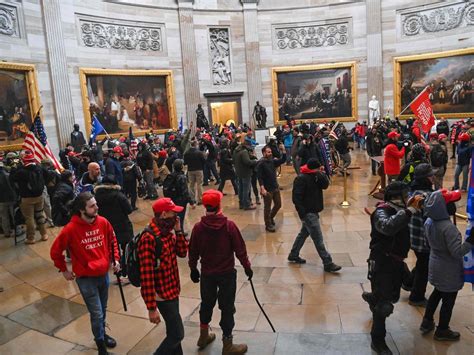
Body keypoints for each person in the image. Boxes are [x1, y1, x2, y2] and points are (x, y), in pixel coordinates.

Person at [50, 192, 120, 355]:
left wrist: (115, 259)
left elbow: (112, 241)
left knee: (102, 309)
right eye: (92, 206)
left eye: (95, 204)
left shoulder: (103, 222)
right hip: (86, 278)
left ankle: (101, 334)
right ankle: (101, 346)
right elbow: (55, 251)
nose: (97, 207)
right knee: (97, 313)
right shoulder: (70, 229)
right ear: (82, 210)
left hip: (103, 275)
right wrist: (63, 269)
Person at [362, 182, 424, 354]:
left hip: (397, 262)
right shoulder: (382, 211)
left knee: (411, 283)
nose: (408, 199)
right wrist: (409, 211)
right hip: (382, 263)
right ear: (398, 197)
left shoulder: (399, 211)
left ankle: (373, 297)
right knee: (384, 306)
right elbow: (388, 227)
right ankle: (378, 340)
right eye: (406, 196)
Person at [188, 190, 252, 354]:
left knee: (206, 304)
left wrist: (193, 268)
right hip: (226, 274)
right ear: (219, 206)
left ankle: (203, 336)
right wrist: (247, 267)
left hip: (207, 273)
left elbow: (193, 250)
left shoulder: (198, 228)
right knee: (227, 307)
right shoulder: (229, 226)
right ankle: (227, 344)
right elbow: (240, 250)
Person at [420, 189, 473, 341]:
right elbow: (457, 252)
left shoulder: (429, 221)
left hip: (435, 264)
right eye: (451, 203)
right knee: (448, 301)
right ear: (443, 208)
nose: (454, 205)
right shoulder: (448, 228)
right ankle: (442, 330)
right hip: (448, 270)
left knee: (436, 293)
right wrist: (470, 241)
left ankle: (427, 321)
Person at [138, 198, 188, 355]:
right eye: (174, 213)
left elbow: (182, 252)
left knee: (173, 332)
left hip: (172, 289)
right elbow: (146, 276)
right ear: (164, 214)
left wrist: (179, 231)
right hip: (162, 295)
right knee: (177, 334)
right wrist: (151, 308)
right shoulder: (149, 238)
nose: (177, 216)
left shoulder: (168, 233)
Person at [287, 158, 341, 272]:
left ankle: (293, 254)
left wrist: (321, 174)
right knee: (318, 239)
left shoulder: (316, 176)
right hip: (308, 212)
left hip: (313, 211)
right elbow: (296, 198)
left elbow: (325, 185)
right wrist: (302, 213)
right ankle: (328, 262)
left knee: (303, 234)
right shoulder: (301, 178)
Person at [94, 175, 133, 278]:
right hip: (123, 226)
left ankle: (117, 271)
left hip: (106, 228)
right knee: (126, 249)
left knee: (113, 251)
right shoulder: (119, 195)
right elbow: (129, 210)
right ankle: (126, 272)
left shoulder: (96, 197)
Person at [407, 164, 434, 307]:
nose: (433, 178)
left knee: (422, 262)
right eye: (430, 176)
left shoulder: (412, 191)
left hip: (413, 236)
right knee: (424, 266)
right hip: (423, 239)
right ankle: (416, 296)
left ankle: (409, 282)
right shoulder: (427, 196)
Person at [9, 151, 49, 244]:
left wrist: (14, 168)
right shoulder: (39, 168)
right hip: (39, 196)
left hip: (26, 199)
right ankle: (44, 234)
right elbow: (47, 175)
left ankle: (31, 238)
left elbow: (12, 179)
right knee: (40, 215)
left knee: (29, 218)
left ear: (24, 161)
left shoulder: (21, 172)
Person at [257, 144, 286, 232]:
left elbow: (282, 160)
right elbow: (260, 177)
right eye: (268, 152)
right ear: (264, 153)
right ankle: (268, 224)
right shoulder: (261, 163)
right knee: (267, 207)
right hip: (267, 189)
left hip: (275, 187)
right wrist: (262, 188)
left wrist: (283, 151)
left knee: (278, 204)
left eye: (271, 152)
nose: (270, 153)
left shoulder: (272, 161)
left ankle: (270, 217)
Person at [168, 159, 195, 232]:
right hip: (181, 201)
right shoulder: (182, 177)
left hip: (173, 199)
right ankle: (180, 231)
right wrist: (191, 202)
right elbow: (185, 192)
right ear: (181, 166)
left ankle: (177, 230)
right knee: (180, 217)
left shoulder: (171, 175)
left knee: (174, 216)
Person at [233, 137, 258, 210]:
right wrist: (255, 162)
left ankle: (241, 203)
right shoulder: (244, 152)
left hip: (238, 171)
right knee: (246, 189)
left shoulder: (236, 150)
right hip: (245, 172)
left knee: (240, 188)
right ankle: (246, 204)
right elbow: (247, 162)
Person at [184, 139, 206, 205]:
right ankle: (200, 199)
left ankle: (192, 199)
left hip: (190, 170)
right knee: (199, 184)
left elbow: (185, 163)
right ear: (196, 144)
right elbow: (204, 161)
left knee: (191, 185)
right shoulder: (199, 153)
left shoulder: (187, 153)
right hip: (199, 169)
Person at [0, 157, 16, 238]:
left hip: (1, 200)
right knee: (14, 215)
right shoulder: (8, 175)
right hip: (11, 197)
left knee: (4, 216)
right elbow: (13, 186)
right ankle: (17, 230)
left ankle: (6, 232)